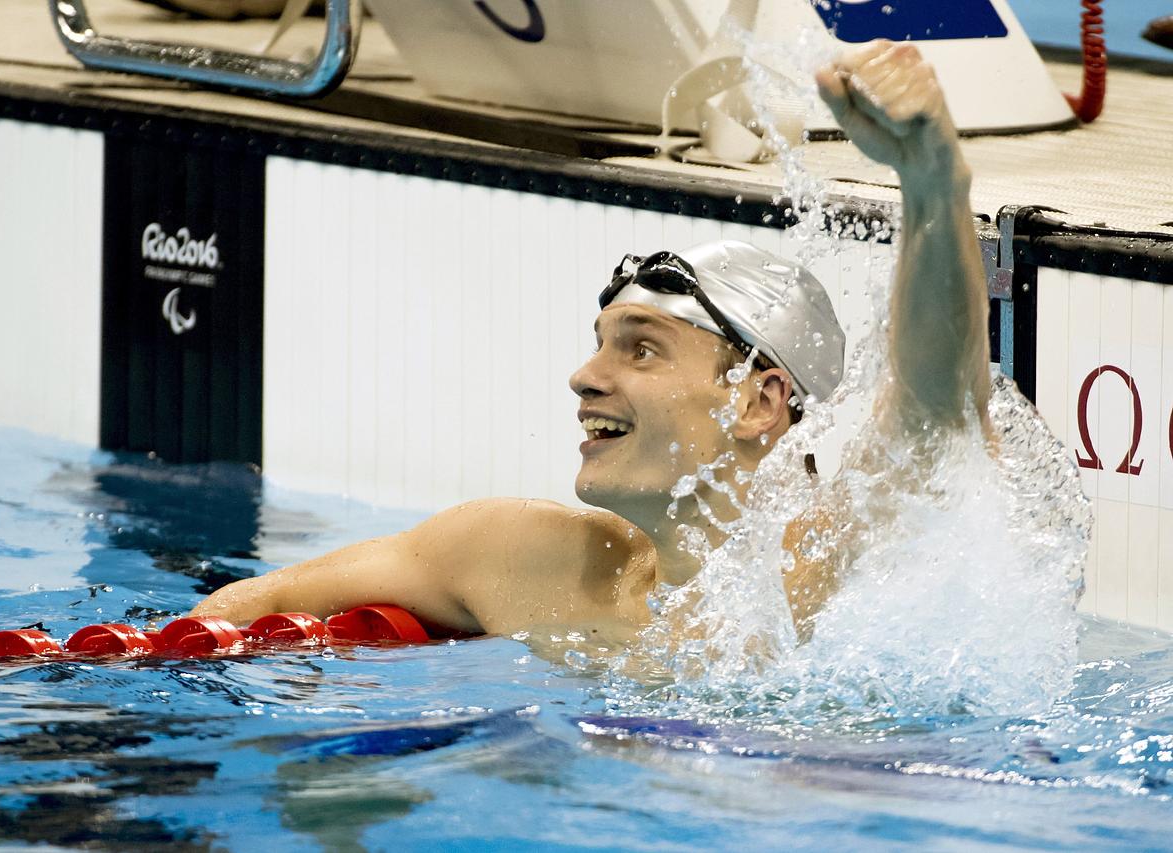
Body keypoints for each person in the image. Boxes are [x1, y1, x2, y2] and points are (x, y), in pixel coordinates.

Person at [191, 40, 991, 642]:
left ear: (759, 400)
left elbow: (937, 402)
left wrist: (934, 181)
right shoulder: (522, 558)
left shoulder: (848, 563)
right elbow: (254, 603)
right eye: (600, 342)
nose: (584, 376)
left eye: (641, 349)